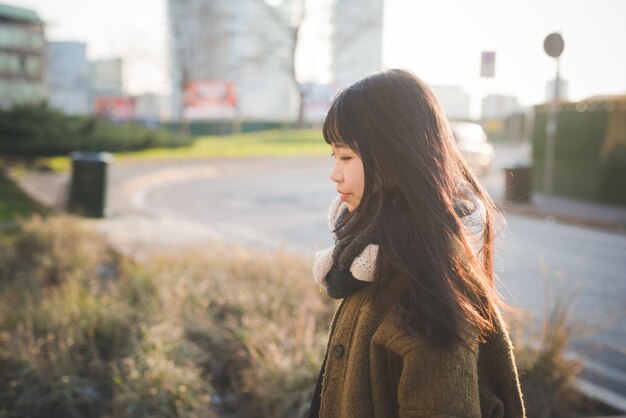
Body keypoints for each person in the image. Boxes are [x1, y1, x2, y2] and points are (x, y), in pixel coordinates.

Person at [308, 69, 525, 418]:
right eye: (333, 156)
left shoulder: (425, 288)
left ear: (397, 158)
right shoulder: (369, 257)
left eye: (346, 157)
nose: (335, 173)